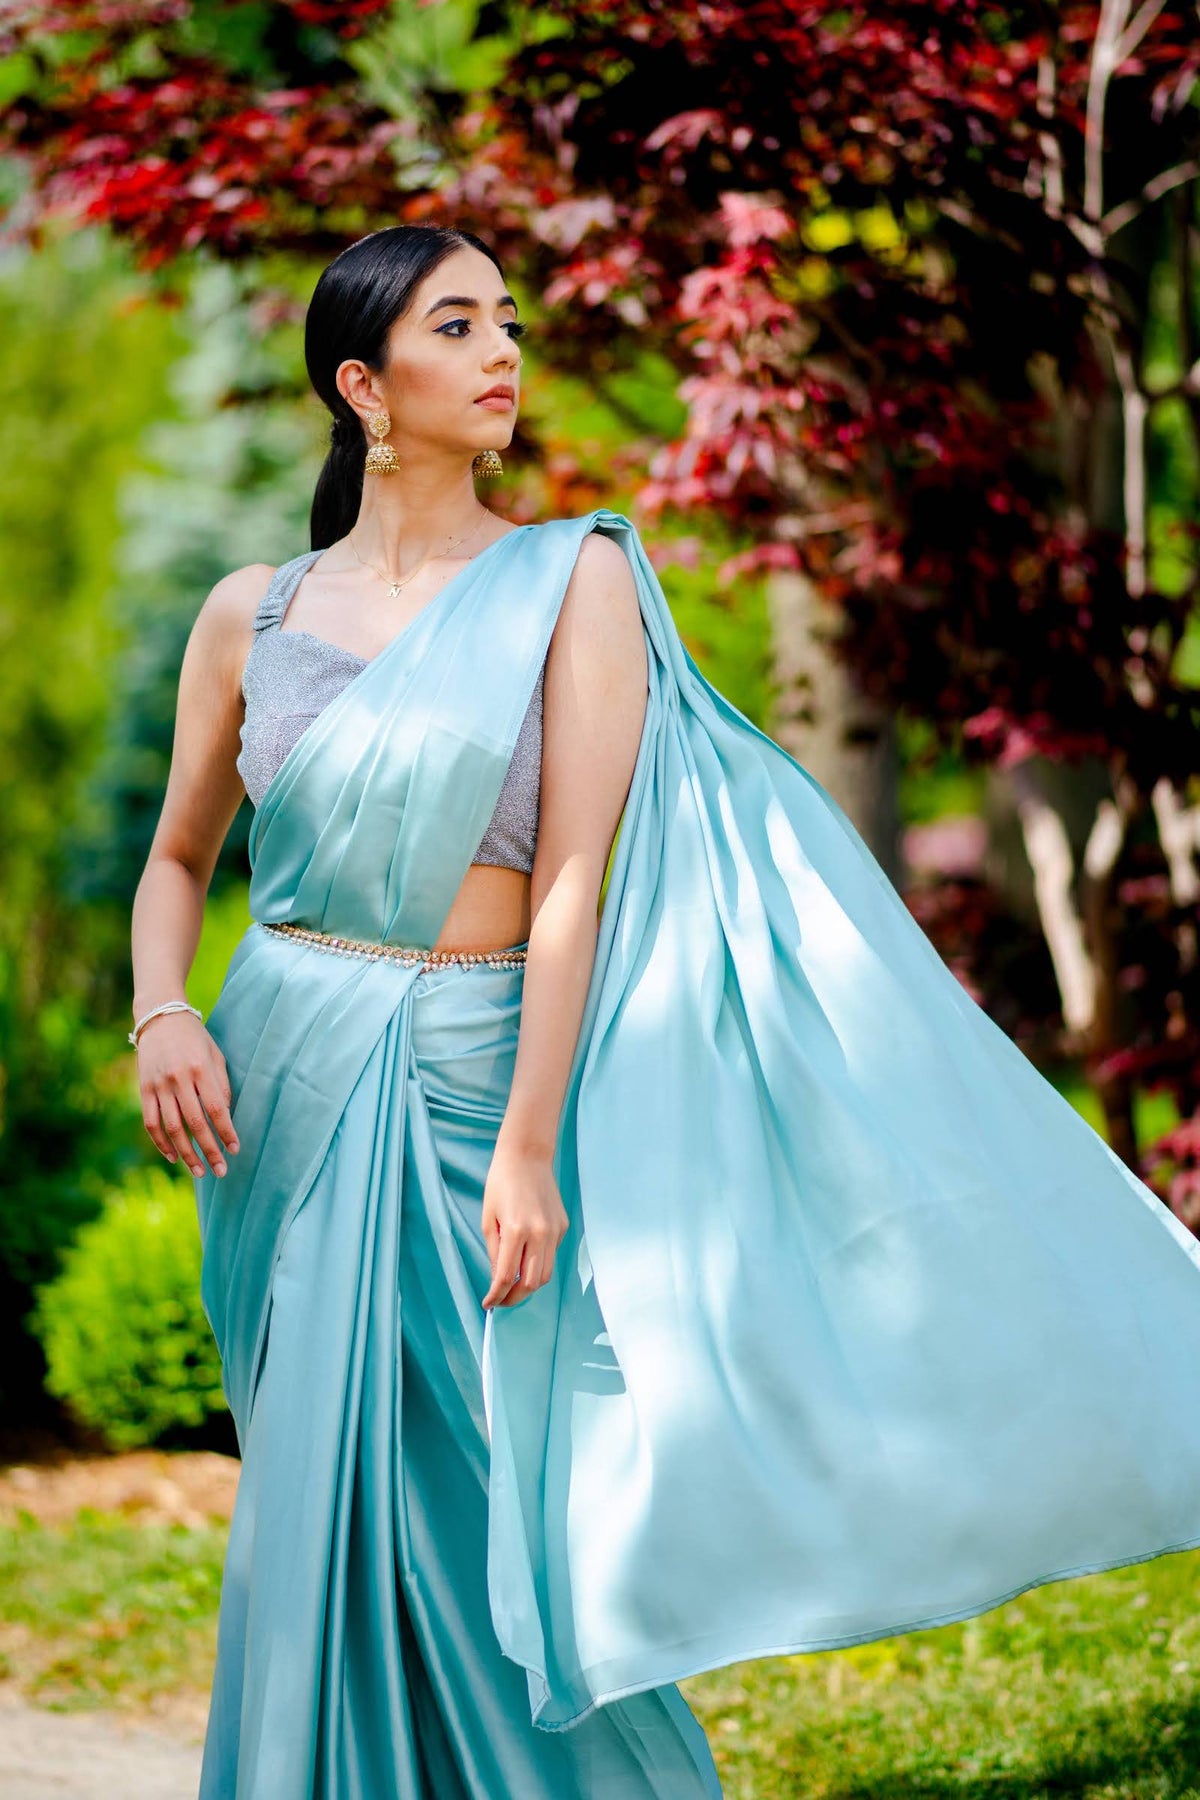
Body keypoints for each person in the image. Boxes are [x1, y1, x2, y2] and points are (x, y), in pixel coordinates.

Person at [129, 225, 1200, 1800]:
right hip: (282, 1090)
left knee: (497, 1512)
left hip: (469, 1080)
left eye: (510, 317)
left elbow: (573, 879)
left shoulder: (575, 580)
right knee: (311, 1504)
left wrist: (532, 1143)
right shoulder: (252, 613)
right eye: (458, 323)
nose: (506, 348)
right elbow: (175, 859)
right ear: (364, 386)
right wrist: (163, 1012)